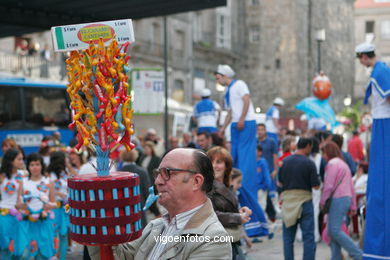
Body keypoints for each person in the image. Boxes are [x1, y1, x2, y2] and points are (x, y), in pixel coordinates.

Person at [88, 148, 232, 259]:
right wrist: (98, 223)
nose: (158, 181)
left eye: (168, 173)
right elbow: (122, 256)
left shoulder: (213, 239)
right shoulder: (156, 226)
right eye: (158, 173)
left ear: (196, 182)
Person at [356, 42, 390, 260]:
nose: (360, 62)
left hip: (384, 124)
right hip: (381, 125)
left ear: (364, 56)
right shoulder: (379, 71)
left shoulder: (381, 71)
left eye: (360, 57)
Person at [216, 64, 257, 197]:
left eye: (218, 77)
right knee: (235, 156)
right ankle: (234, 183)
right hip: (236, 123)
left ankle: (245, 185)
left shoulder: (239, 84)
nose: (217, 80)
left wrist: (242, 119)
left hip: (246, 122)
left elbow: (246, 100)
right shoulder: (228, 90)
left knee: (245, 157)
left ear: (225, 76)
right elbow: (231, 111)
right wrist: (223, 128)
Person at [278, 137, 320, 260]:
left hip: (288, 203)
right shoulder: (309, 163)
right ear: (308, 146)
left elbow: (280, 183)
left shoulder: (285, 161)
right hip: (305, 202)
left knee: (288, 239)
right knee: (308, 237)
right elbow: (316, 186)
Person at [207, 146, 252, 259]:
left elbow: (227, 209)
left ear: (226, 166)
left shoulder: (226, 186)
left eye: (219, 162)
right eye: (211, 162)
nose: (214, 166)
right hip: (217, 243)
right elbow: (210, 215)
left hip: (231, 240)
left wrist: (240, 212)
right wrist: (238, 217)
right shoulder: (207, 187)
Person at [320, 141, 362, 260]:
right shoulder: (343, 164)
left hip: (337, 199)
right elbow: (351, 187)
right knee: (334, 231)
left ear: (328, 152)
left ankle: (357, 254)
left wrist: (323, 201)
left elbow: (328, 186)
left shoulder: (332, 164)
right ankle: (336, 257)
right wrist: (353, 206)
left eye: (323, 152)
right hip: (346, 198)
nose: (323, 156)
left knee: (333, 230)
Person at [20, 153, 57, 259]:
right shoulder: (24, 182)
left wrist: (48, 206)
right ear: (28, 167)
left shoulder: (48, 181)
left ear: (42, 166)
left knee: (45, 253)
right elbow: (18, 203)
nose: (35, 167)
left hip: (45, 222)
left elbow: (54, 203)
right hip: (29, 222)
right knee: (30, 253)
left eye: (37, 164)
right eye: (32, 165)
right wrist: (22, 207)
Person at [119, 149, 157, 228]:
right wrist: (155, 211)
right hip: (139, 207)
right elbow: (148, 193)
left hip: (122, 209)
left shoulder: (118, 172)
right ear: (135, 156)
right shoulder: (142, 171)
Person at [0, 148, 25, 259]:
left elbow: (23, 195)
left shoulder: (23, 174)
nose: (22, 162)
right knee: (5, 248)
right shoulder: (1, 175)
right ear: (11, 161)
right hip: (4, 216)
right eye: (19, 159)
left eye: (22, 159)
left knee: (18, 250)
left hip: (19, 215)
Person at [48, 151, 69, 260]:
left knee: (64, 234)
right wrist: (57, 193)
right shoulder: (48, 175)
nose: (66, 160)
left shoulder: (65, 173)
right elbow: (44, 191)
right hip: (54, 207)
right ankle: (52, 256)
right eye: (64, 158)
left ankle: (63, 257)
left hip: (64, 208)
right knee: (53, 234)